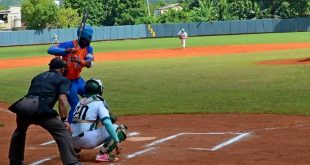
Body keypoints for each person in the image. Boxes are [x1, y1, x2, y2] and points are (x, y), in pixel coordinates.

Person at [8, 58, 81, 165]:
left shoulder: (38, 76)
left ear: (50, 67)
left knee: (20, 131)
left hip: (23, 105)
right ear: (61, 69)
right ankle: (71, 162)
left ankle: (15, 161)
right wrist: (64, 120)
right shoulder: (63, 79)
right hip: (39, 107)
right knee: (62, 132)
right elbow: (62, 99)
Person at [70, 78, 127, 162]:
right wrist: (117, 142)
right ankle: (102, 155)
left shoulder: (80, 102)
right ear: (99, 89)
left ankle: (73, 153)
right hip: (87, 140)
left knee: (82, 125)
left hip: (72, 140)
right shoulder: (99, 103)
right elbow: (107, 123)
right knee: (120, 129)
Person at [47, 25, 94, 124]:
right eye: (87, 39)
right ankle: (70, 126)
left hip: (78, 80)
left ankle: (91, 117)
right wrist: (66, 51)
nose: (89, 41)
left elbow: (90, 63)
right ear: (81, 37)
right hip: (67, 82)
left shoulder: (89, 48)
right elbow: (50, 49)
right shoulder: (69, 44)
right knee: (75, 104)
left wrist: (79, 61)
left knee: (92, 95)